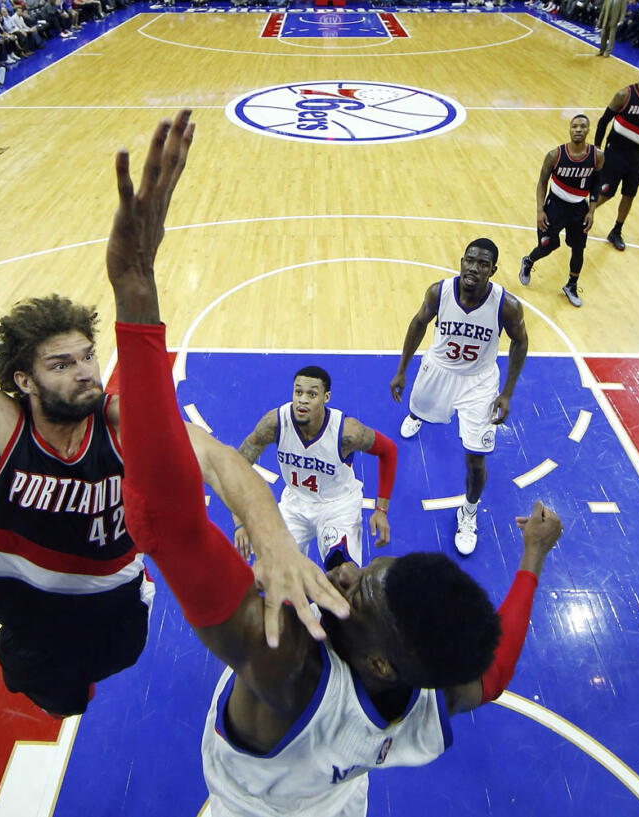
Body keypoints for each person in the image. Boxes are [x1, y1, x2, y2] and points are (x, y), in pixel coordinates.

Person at [95, 110, 564, 817]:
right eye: (371, 570)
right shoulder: (427, 699)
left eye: (361, 591)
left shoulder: (287, 666)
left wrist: (137, 292)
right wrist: (531, 558)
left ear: (377, 658)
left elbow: (167, 520)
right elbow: (492, 674)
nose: (346, 570)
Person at [0, 113, 336, 719]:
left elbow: (217, 460)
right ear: (23, 380)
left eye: (88, 356)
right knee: (51, 699)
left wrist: (272, 539)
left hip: (112, 615)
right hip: (22, 624)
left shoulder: (119, 424)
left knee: (107, 669)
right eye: (62, 365)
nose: (85, 371)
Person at [389, 239, 529, 556]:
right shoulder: (439, 292)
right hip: (438, 369)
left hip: (479, 382)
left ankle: (468, 512)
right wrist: (401, 370)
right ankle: (417, 415)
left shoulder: (507, 306)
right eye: (470, 261)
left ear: (492, 271)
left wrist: (506, 393)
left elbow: (520, 342)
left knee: (476, 458)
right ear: (462, 261)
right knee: (418, 408)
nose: (473, 268)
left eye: (482, 264)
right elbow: (418, 323)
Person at [235, 366, 398, 566]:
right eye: (298, 392)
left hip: (338, 506)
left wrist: (381, 510)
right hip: (295, 504)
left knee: (344, 577)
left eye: (312, 394)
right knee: (275, 574)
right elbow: (235, 466)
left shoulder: (348, 432)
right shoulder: (274, 424)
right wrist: (240, 521)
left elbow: (388, 450)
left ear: (325, 397)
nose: (302, 399)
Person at [519, 114, 604, 308]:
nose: (579, 129)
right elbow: (542, 182)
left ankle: (571, 285)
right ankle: (528, 261)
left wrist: (591, 211)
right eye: (575, 126)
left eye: (583, 126)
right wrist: (540, 210)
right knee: (548, 245)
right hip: (554, 207)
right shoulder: (555, 155)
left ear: (588, 130)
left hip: (579, 209)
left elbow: (597, 184)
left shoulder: (597, 156)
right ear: (569, 129)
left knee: (578, 248)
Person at [591, 58, 639, 251]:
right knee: (607, 192)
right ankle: (583, 214)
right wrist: (598, 148)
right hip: (615, 149)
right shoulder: (624, 94)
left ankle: (616, 230)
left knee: (629, 194)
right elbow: (603, 121)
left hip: (638, 152)